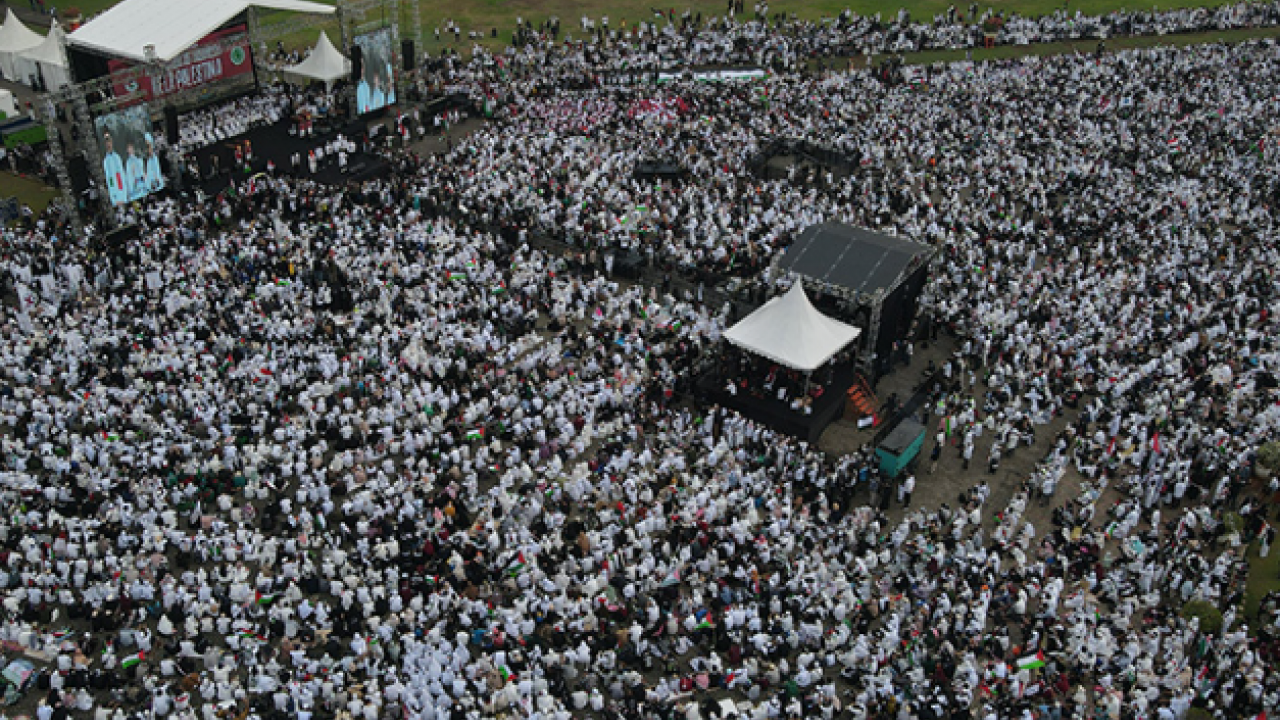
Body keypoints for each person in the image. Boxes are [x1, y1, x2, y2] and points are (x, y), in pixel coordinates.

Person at [101, 131, 127, 204]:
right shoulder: (106, 161)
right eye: (106, 142)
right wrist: (114, 196)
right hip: (114, 195)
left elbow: (121, 175)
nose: (108, 144)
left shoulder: (117, 157)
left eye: (109, 141)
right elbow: (110, 179)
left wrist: (123, 194)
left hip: (122, 192)